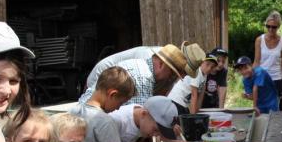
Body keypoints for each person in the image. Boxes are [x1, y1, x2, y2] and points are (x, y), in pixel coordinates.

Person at [69, 67, 161, 142]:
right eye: (120, 103)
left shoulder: (74, 110)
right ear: (112, 94)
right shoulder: (105, 121)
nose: (118, 108)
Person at [79, 42, 207, 105]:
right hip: (105, 72)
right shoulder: (148, 63)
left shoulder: (168, 67)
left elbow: (160, 97)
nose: (182, 77)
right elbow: (139, 108)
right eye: (183, 72)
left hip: (124, 78)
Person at [110, 96, 184, 142]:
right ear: (143, 114)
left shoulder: (142, 118)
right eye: (155, 130)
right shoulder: (117, 120)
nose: (156, 135)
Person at [253, 10, 282, 106]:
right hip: (262, 77)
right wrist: (252, 78)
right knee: (262, 105)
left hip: (277, 78)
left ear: (278, 27)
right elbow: (256, 61)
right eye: (268, 26)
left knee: (278, 107)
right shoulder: (259, 40)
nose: (270, 29)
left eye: (274, 27)